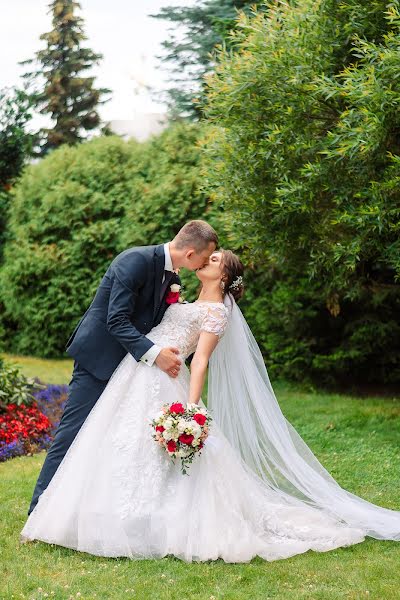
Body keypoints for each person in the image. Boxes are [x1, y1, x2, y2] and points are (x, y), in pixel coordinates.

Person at [21, 249, 400, 563]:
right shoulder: (182, 294)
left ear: (223, 276)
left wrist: (190, 407)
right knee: (114, 440)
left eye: (215, 259)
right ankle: (90, 511)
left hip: (166, 379)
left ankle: (146, 518)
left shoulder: (217, 311)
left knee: (151, 449)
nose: (206, 260)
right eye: (208, 255)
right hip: (137, 372)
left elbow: (199, 360)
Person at [27, 219, 218, 515]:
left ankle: (84, 508)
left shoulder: (172, 274)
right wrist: (156, 354)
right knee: (73, 432)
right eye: (205, 258)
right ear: (191, 253)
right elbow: (115, 320)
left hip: (130, 370)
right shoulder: (135, 261)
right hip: (100, 360)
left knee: (107, 438)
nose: (203, 265)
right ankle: (39, 510)